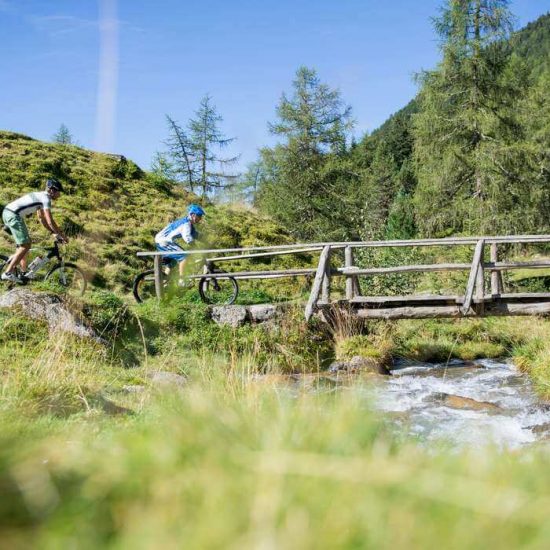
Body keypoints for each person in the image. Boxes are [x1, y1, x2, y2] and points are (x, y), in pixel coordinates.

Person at [1, 178, 68, 282]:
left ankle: (22, 274)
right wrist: (61, 235)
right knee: (26, 245)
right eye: (59, 192)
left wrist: (52, 232)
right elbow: (50, 221)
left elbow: (42, 219)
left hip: (8, 213)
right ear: (52, 190)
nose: (59, 195)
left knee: (24, 245)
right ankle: (8, 272)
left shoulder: (40, 196)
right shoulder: (46, 199)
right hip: (13, 215)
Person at [154, 204, 205, 284]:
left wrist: (208, 241)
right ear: (193, 215)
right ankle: (181, 281)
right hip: (164, 241)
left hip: (161, 240)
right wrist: (194, 246)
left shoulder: (188, 224)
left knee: (172, 264)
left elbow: (195, 235)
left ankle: (164, 284)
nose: (200, 218)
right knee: (184, 256)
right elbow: (187, 237)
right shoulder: (186, 224)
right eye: (199, 216)